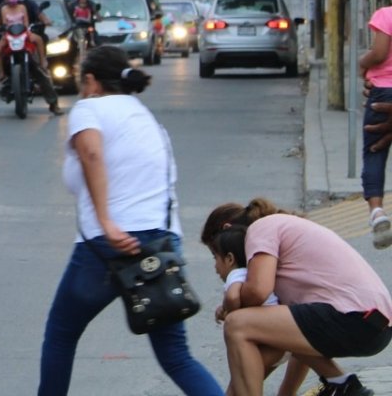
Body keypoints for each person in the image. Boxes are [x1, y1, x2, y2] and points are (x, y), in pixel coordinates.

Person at [38, 44, 223, 396]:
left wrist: (107, 222)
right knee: (175, 355)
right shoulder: (144, 117)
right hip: (160, 244)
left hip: (108, 245)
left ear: (91, 81)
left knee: (61, 334)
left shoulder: (89, 108)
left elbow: (92, 154)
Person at [201, 199, 392, 396]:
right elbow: (296, 343)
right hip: (376, 325)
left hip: (356, 316)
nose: (217, 267)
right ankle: (343, 385)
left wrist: (231, 304)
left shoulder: (261, 228)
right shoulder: (283, 247)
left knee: (236, 324)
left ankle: (342, 385)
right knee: (260, 331)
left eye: (216, 254)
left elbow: (257, 292)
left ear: (227, 229)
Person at [209, 226, 310, 396]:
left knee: (238, 389)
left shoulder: (237, 274)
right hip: (283, 340)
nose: (215, 267)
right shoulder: (255, 272)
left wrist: (227, 312)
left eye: (215, 258)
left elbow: (233, 297)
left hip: (269, 343)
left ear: (229, 259)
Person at [0, 0, 61, 116]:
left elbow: (36, 19)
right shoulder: (2, 7)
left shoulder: (27, 5)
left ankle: (53, 103)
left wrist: (41, 23)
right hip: (9, 37)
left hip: (24, 36)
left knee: (41, 71)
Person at [358, 0, 392, 248]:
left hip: (383, 94)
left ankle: (377, 211)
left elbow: (379, 54)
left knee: (374, 151)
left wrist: (363, 62)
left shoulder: (385, 15)